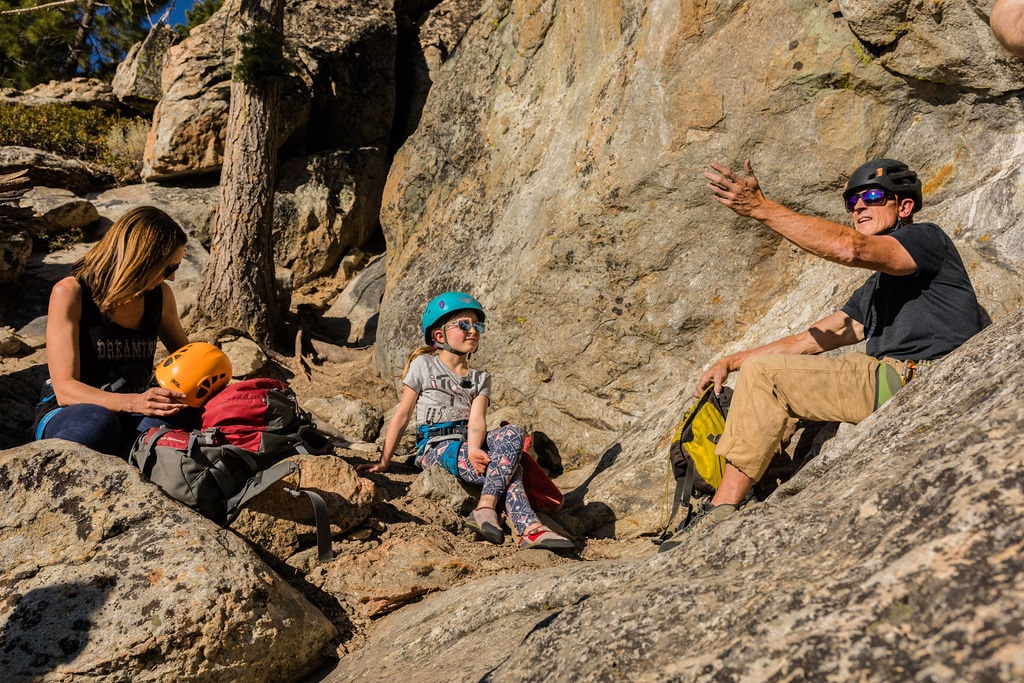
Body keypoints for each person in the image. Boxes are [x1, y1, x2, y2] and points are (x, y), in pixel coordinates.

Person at [667, 157, 984, 542]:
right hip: (892, 382)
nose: (859, 207)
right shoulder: (878, 288)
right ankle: (735, 496)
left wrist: (760, 208)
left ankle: (721, 510)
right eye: (852, 203)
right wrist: (730, 362)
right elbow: (809, 341)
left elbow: (851, 248)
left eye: (871, 196)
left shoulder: (927, 240)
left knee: (766, 376)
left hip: (919, 377)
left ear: (904, 207)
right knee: (763, 371)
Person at [358, 291, 575, 551]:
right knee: (510, 468)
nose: (472, 330)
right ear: (439, 336)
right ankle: (529, 527)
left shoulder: (480, 378)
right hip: (436, 447)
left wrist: (474, 449)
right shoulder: (424, 365)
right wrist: (384, 461)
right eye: (463, 325)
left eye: (477, 325)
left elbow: (477, 420)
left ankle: (485, 507)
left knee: (513, 433)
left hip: (467, 443)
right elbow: (403, 414)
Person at [34, 206, 193, 457]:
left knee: (178, 424)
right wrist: (133, 401)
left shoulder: (159, 297)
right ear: (141, 261)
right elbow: (65, 389)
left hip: (133, 411)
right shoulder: (72, 293)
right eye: (168, 268)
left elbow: (189, 361)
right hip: (72, 412)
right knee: (97, 425)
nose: (171, 278)